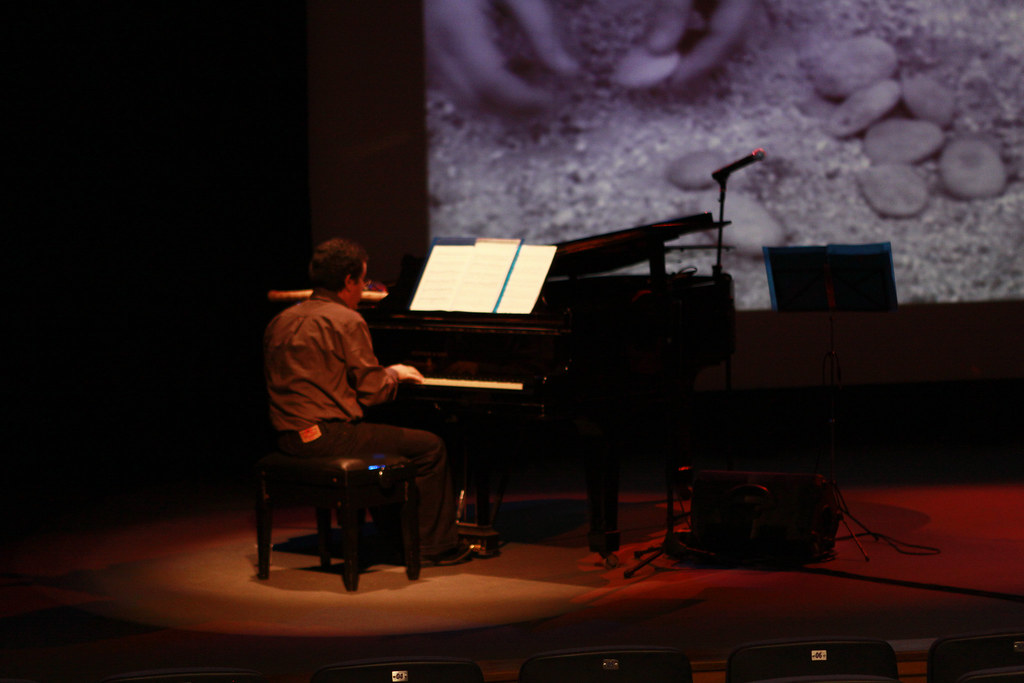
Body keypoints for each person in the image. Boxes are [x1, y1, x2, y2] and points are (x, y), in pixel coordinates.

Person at [263, 238, 472, 566]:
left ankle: (397, 540)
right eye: (362, 281)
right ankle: (435, 548)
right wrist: (395, 373)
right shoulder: (347, 319)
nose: (363, 289)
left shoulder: (281, 320)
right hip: (329, 437)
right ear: (348, 281)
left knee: (383, 448)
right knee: (430, 447)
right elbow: (373, 392)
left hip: (289, 438)